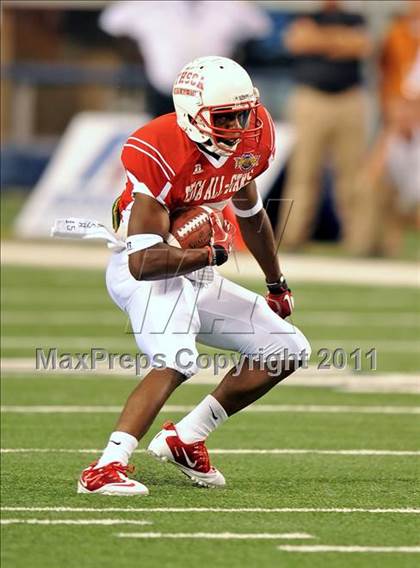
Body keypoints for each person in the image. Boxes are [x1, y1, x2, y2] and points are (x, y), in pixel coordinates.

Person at [77, 56, 311, 496]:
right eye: (227, 118)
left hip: (194, 266)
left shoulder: (249, 137)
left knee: (286, 347)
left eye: (245, 113)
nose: (241, 126)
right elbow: (142, 264)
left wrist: (276, 283)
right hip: (147, 270)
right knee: (178, 358)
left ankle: (187, 438)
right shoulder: (158, 148)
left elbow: (250, 212)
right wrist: (211, 252)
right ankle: (105, 467)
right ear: (193, 116)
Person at [277, 0, 372, 252]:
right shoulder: (306, 15)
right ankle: (293, 237)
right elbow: (297, 42)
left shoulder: (355, 19)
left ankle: (359, 242)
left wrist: (319, 39)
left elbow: (360, 46)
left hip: (349, 100)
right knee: (303, 172)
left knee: (353, 174)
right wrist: (339, 41)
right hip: (311, 99)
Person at [99, 1, 272, 117]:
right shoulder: (146, 5)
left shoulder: (230, 5)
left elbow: (261, 28)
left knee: (210, 157)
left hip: (212, 95)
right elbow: (110, 23)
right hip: (164, 90)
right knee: (163, 153)